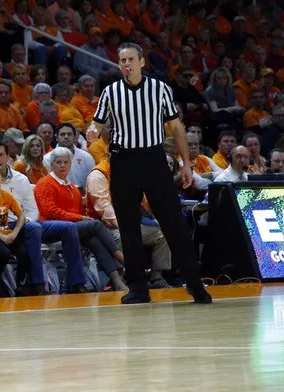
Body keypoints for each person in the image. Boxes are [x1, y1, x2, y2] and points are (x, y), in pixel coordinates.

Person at [86, 43, 211, 304]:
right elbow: (96, 123)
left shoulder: (160, 89)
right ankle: (138, 288)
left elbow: (176, 127)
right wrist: (92, 131)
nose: (126, 64)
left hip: (153, 159)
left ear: (142, 62)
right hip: (122, 161)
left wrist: (187, 163)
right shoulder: (110, 92)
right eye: (122, 60)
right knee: (129, 227)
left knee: (174, 223)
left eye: (131, 59)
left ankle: (194, 283)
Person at [34, 147, 128, 292]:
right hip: (49, 226)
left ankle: (117, 280)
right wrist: (81, 218)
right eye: (58, 162)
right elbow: (50, 211)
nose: (62, 165)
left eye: (66, 162)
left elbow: (79, 212)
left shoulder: (72, 187)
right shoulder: (45, 183)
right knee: (95, 225)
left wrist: (81, 218)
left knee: (94, 240)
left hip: (72, 227)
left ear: (71, 164)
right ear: (52, 165)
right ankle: (121, 257)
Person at [85, 157, 171, 288]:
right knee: (121, 237)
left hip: (131, 221)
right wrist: (127, 225)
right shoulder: (98, 174)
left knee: (163, 233)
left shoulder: (129, 171)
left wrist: (154, 218)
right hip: (105, 225)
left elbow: (143, 202)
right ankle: (121, 279)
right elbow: (104, 209)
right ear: (110, 154)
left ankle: (156, 277)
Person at [0, 164, 45, 297]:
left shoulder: (7, 197)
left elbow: (21, 216)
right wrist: (2, 237)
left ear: (2, 179)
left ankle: (21, 285)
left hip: (6, 232)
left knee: (24, 254)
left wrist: (14, 233)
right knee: (5, 253)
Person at [43, 123, 94, 189]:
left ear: (75, 137)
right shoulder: (47, 158)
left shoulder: (86, 157)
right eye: (62, 134)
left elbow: (92, 182)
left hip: (82, 197)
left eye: (69, 134)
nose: (66, 137)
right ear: (56, 138)